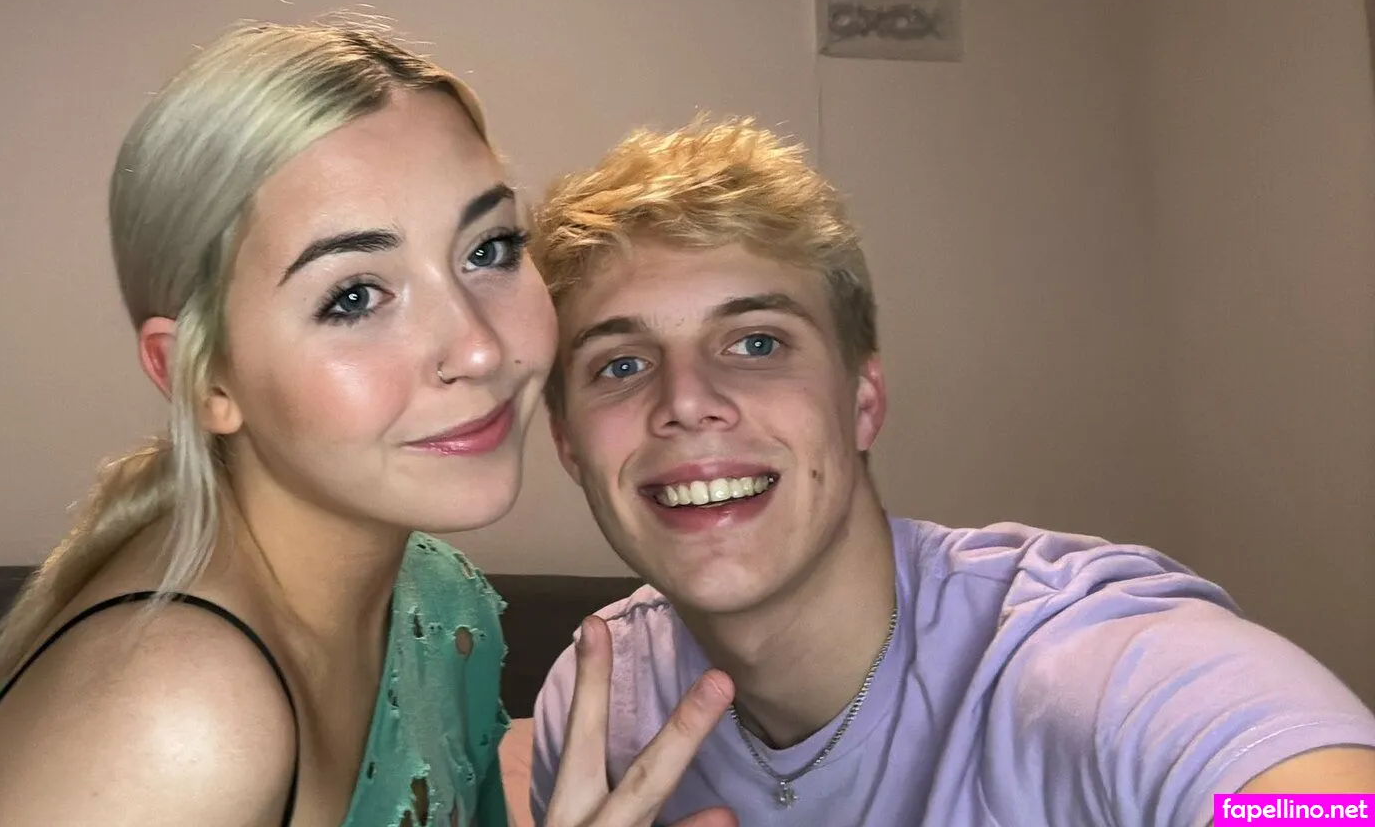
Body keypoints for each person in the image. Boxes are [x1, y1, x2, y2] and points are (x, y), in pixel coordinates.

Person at [0, 19, 737, 827]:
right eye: (354, 297)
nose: (479, 348)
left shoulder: (438, 603)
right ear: (202, 377)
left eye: (488, 249)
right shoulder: (178, 724)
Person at [524, 117, 1375, 826]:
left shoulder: (1089, 664)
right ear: (568, 445)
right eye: (620, 365)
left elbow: (1313, 799)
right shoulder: (599, 699)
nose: (686, 401)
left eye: (756, 343)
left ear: (863, 400)